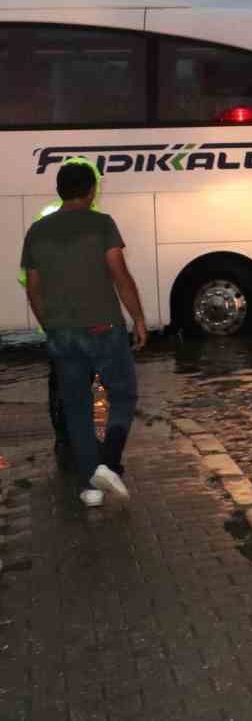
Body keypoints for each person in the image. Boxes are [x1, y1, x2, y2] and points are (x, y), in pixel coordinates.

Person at [19, 161, 146, 508]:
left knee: (76, 407)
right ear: (91, 191)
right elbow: (119, 275)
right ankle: (108, 462)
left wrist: (50, 325)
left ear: (60, 191)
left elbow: (33, 288)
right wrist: (137, 318)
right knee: (122, 395)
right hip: (103, 326)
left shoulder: (37, 231)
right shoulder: (101, 224)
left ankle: (90, 486)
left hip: (62, 331)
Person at [15, 156, 103, 457]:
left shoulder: (48, 219)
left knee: (66, 379)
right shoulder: (80, 219)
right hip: (73, 316)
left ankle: (68, 439)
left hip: (61, 316)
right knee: (73, 380)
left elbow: (30, 278)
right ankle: (72, 440)